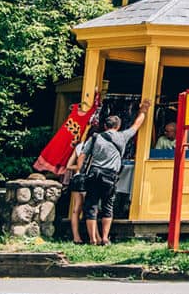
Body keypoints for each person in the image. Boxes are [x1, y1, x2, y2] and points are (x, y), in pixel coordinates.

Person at [80, 100, 149, 245]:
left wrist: (80, 173)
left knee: (91, 205)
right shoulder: (122, 137)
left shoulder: (95, 137)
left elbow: (82, 155)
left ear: (105, 126)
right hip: (110, 176)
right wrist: (143, 111)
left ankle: (93, 239)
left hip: (93, 174)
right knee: (107, 206)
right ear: (118, 127)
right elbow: (136, 125)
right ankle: (105, 238)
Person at [64, 143, 87, 244]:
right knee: (89, 208)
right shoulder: (97, 143)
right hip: (87, 178)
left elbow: (68, 165)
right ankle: (92, 235)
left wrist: (77, 167)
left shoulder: (80, 145)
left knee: (76, 209)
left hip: (77, 178)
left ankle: (76, 237)